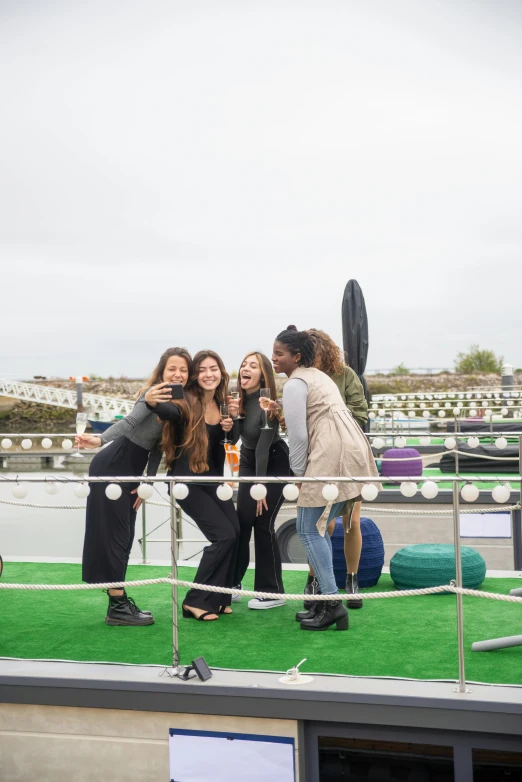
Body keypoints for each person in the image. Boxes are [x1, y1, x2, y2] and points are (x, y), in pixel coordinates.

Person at [272, 326, 380, 632]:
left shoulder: (295, 384)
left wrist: (299, 477)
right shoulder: (318, 376)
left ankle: (331, 603)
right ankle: (326, 602)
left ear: (296, 356)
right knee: (318, 527)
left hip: (330, 453)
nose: (273, 358)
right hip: (351, 450)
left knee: (308, 528)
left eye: (279, 353)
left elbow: (298, 437)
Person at [77, 347, 192, 627]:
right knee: (114, 535)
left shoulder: (180, 402)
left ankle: (118, 602)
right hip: (113, 463)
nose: (177, 374)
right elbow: (128, 423)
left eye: (183, 370)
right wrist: (100, 440)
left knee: (124, 536)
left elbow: (158, 447)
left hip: (130, 471)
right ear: (162, 371)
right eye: (172, 369)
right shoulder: (151, 394)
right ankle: (117, 606)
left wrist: (147, 482)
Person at [157, 350, 239, 622]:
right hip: (187, 483)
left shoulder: (221, 402)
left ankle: (219, 597)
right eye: (202, 369)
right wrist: (150, 399)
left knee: (236, 533)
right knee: (223, 536)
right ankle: (195, 600)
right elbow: (167, 410)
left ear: (221, 373)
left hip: (213, 482)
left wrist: (232, 425)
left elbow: (228, 444)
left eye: (213, 368)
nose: (208, 374)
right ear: (195, 375)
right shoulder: (185, 400)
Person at [303, 328, 369, 610]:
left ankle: (352, 578)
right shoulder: (301, 378)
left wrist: (332, 413)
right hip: (316, 457)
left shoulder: (345, 375)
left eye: (311, 352)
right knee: (321, 524)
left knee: (351, 521)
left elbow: (361, 411)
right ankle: (314, 579)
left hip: (347, 456)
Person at [227, 352, 290, 609]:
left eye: (253, 365)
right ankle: (232, 583)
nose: (246, 368)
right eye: (244, 364)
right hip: (248, 461)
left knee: (263, 524)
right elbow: (232, 442)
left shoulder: (267, 403)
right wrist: (230, 419)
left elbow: (263, 446)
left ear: (263, 374)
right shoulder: (239, 401)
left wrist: (260, 487)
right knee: (241, 523)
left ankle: (272, 591)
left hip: (274, 463)